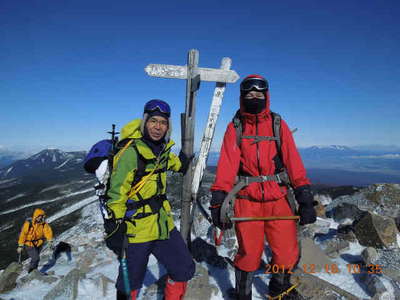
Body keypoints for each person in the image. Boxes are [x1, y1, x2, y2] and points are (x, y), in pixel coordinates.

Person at [210, 75, 317, 299]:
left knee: (287, 252)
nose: (254, 98)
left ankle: (279, 289)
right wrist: (218, 199)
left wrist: (304, 196)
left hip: (278, 198)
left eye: (259, 94)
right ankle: (243, 293)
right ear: (242, 97)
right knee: (249, 253)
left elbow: (293, 161)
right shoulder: (236, 127)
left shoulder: (277, 124)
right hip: (247, 200)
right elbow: (227, 165)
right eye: (249, 94)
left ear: (266, 97)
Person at [104, 99, 195, 300]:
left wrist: (182, 162)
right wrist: (115, 225)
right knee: (131, 280)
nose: (157, 126)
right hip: (136, 228)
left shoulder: (162, 150)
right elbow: (116, 193)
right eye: (153, 121)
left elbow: (175, 164)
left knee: (183, 267)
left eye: (163, 123)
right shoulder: (131, 152)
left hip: (162, 224)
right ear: (145, 122)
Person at [17, 208, 54, 273]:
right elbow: (23, 234)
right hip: (29, 244)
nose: (41, 218)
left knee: (35, 259)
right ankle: (31, 272)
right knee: (36, 258)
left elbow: (47, 232)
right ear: (36, 216)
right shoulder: (29, 224)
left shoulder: (43, 224)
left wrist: (50, 241)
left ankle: (35, 271)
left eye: (42, 216)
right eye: (40, 216)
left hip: (39, 243)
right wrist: (20, 245)